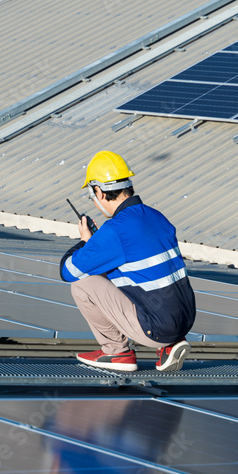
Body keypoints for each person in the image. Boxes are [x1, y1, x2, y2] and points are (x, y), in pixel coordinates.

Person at [60, 151, 196, 372]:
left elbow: (68, 271)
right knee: (124, 274)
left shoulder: (115, 229)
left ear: (99, 192)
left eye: (92, 196)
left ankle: (117, 352)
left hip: (157, 328)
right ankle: (170, 344)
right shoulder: (156, 216)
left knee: (82, 283)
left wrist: (86, 242)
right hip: (184, 320)